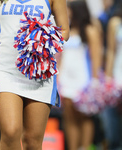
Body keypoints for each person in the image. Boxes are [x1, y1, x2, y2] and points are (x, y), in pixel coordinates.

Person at [0, 0, 69, 149]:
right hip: (5, 70)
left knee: (32, 142)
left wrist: (41, 37)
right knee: (11, 131)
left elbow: (65, 32)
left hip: (39, 73)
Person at [58, 1, 102, 150]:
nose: (67, 12)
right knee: (69, 118)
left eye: (69, 9)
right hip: (66, 78)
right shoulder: (67, 30)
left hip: (83, 80)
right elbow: (60, 57)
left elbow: (96, 58)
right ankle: (73, 147)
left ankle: (85, 147)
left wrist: (95, 81)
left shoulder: (90, 30)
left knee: (84, 117)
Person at [102, 1, 122, 149]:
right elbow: (110, 52)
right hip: (117, 79)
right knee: (113, 127)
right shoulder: (115, 22)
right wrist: (108, 79)